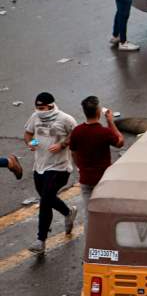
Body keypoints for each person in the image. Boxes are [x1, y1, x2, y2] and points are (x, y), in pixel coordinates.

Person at [23, 93, 77, 256]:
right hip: (39, 166)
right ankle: (68, 213)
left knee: (45, 201)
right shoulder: (35, 117)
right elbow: (27, 134)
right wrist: (31, 143)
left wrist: (62, 144)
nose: (40, 111)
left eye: (43, 108)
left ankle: (41, 240)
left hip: (59, 168)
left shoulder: (65, 119)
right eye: (37, 108)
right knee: (48, 197)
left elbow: (76, 135)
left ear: (51, 106)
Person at [67, 96, 123, 219]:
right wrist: (110, 122)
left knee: (90, 216)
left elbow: (73, 153)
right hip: (104, 179)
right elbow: (120, 142)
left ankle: (91, 238)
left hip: (86, 179)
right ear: (98, 112)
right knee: (108, 214)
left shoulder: (77, 131)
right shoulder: (104, 132)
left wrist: (81, 167)